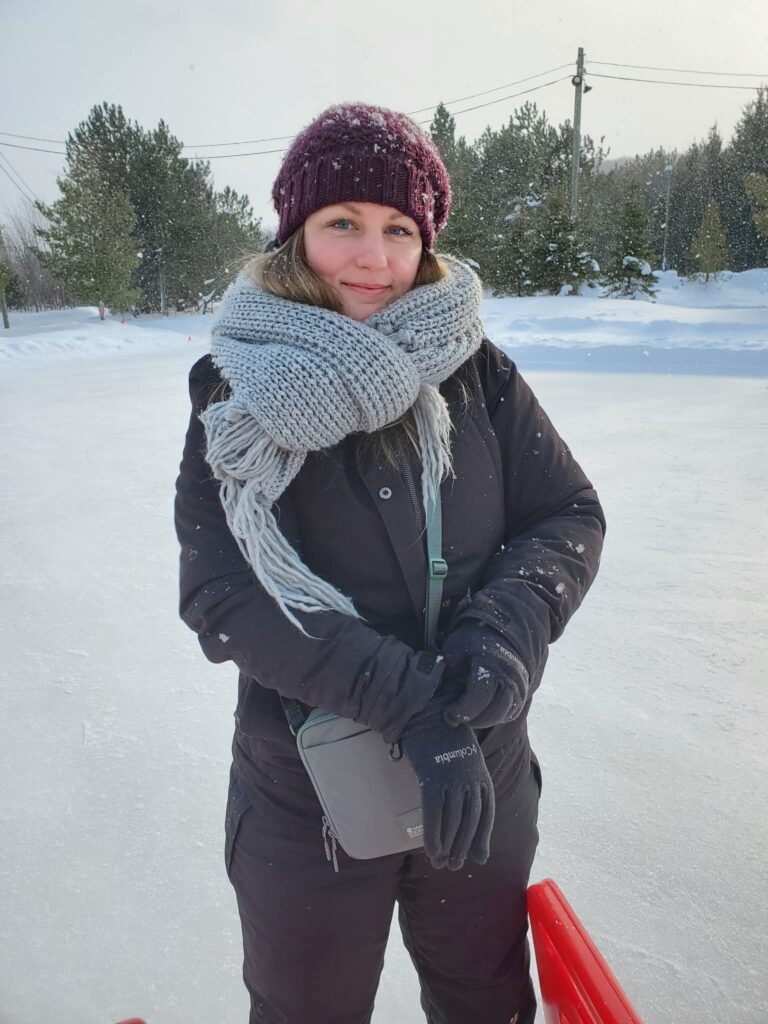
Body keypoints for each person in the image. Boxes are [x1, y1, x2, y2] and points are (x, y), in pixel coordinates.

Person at [174, 102, 605, 1024]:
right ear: (296, 236)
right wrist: (410, 705)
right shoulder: (235, 393)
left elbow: (564, 515)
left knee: (484, 998)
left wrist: (501, 644)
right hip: (309, 798)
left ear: (426, 244)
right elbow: (224, 593)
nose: (374, 257)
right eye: (343, 225)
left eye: (398, 229)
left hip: (478, 774)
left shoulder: (477, 372)